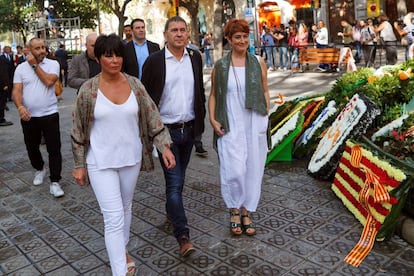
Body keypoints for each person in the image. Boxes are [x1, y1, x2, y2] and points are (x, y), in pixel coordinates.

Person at [71, 33, 175, 276]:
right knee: (114, 217)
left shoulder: (134, 85)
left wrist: (164, 146)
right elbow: (77, 129)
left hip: (131, 158)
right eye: (108, 55)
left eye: (118, 55)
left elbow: (152, 116)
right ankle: (121, 270)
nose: (114, 60)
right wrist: (79, 164)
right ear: (99, 58)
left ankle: (122, 251)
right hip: (100, 161)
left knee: (125, 208)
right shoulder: (88, 90)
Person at [141, 16, 206, 257]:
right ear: (166, 34)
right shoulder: (155, 61)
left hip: (188, 130)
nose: (179, 34)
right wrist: (150, 132)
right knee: (174, 182)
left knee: (180, 178)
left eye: (183, 30)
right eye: (174, 30)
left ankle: (171, 208)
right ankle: (183, 236)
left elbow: (199, 90)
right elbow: (146, 99)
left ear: (188, 33)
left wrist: (200, 124)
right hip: (164, 133)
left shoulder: (195, 57)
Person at [208, 18, 270, 236]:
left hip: (254, 124)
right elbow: (214, 95)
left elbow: (264, 90)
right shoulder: (221, 66)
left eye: (245, 36)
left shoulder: (258, 62)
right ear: (229, 40)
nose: (242, 40)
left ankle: (245, 211)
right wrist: (213, 120)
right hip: (230, 124)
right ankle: (233, 209)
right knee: (234, 170)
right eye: (237, 37)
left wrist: (266, 115)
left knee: (253, 169)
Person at [12, 37, 64, 198]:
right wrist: (20, 106)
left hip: (50, 113)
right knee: (31, 147)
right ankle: (40, 168)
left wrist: (34, 65)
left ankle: (55, 182)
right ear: (29, 50)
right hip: (29, 117)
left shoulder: (53, 64)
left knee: (54, 149)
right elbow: (16, 91)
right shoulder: (20, 69)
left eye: (43, 47)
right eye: (37, 48)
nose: (42, 50)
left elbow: (49, 82)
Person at [0, 58, 12, 126]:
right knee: (1, 103)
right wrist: (4, 84)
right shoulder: (1, 60)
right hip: (2, 86)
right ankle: (1, 119)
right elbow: (2, 73)